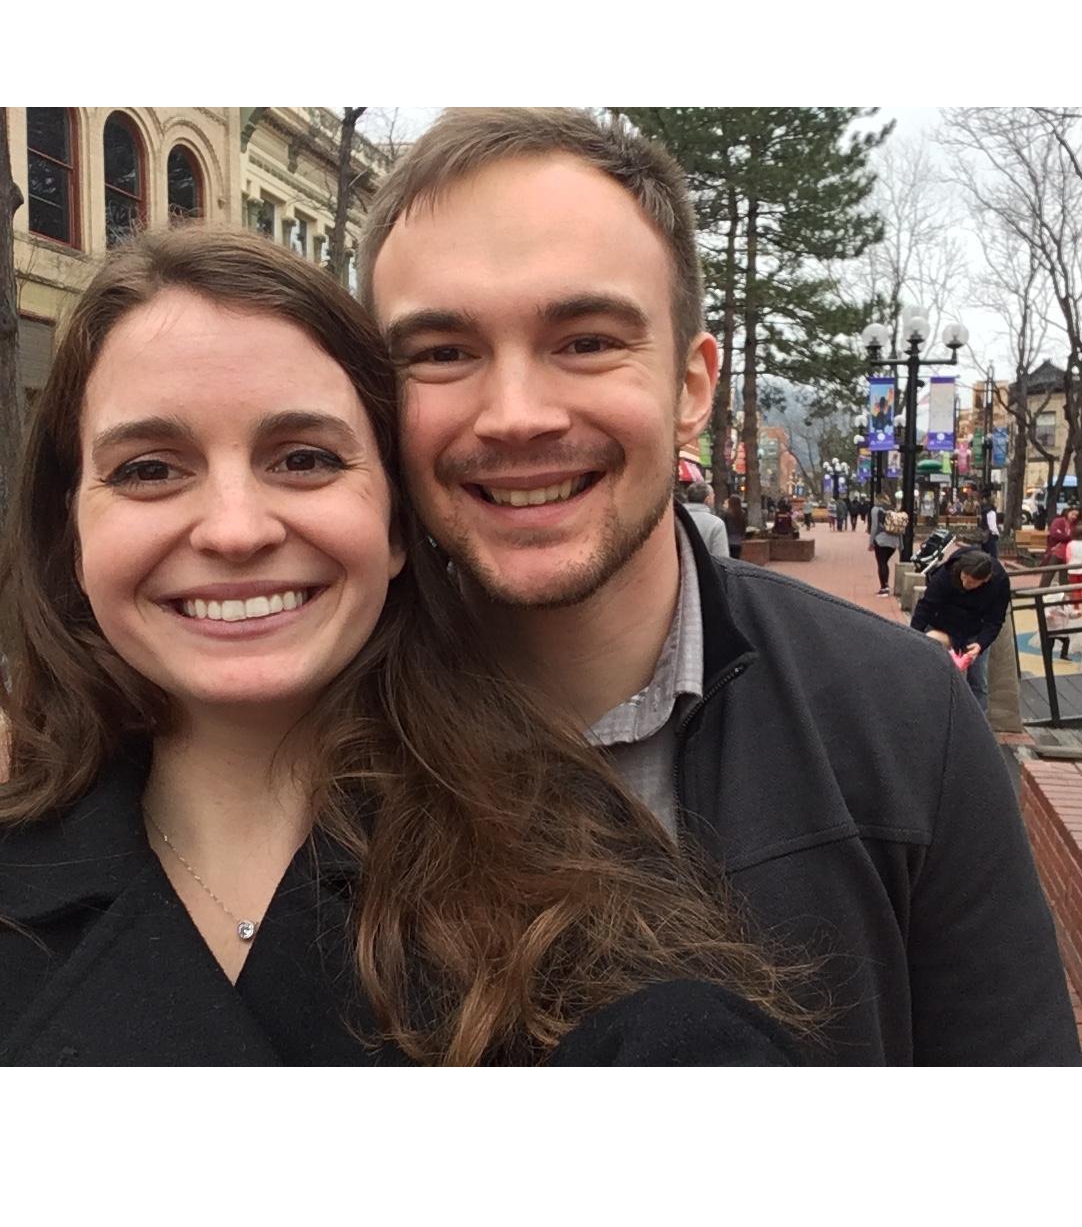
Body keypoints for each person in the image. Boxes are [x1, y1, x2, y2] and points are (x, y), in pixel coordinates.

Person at [362, 107, 1081, 1064]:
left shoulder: (906, 725)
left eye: (585, 340)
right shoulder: (308, 749)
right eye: (443, 353)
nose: (516, 416)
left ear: (693, 387)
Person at [0, 228, 814, 1068]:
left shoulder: (596, 926)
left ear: (394, 525)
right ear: (70, 533)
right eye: (149, 470)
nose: (235, 530)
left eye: (305, 459)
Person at [909, 549, 1011, 714]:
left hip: (975, 631)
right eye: (964, 578)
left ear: (985, 580)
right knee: (929, 671)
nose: (965, 584)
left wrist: (981, 644)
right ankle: (927, 713)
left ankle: (978, 725)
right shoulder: (949, 571)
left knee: (978, 681)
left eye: (971, 583)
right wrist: (913, 635)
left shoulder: (999, 582)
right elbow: (926, 606)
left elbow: (995, 620)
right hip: (942, 624)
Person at [681, 481, 729, 559]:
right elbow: (722, 559)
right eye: (713, 496)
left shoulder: (676, 519)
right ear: (707, 499)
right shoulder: (716, 524)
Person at [868, 492, 902, 597]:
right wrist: (900, 544)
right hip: (894, 541)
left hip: (881, 540)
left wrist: (871, 542)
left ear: (878, 499)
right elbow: (899, 526)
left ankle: (884, 588)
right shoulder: (893, 509)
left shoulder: (876, 509)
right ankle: (886, 585)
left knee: (881, 563)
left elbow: (874, 527)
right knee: (885, 563)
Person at [1039, 505, 1078, 589]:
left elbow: (1073, 537)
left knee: (1064, 577)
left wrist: (1065, 536)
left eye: (1076, 515)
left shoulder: (1074, 526)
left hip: (1066, 554)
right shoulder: (1059, 521)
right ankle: (1040, 594)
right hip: (1056, 551)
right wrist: (1067, 537)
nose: (1074, 517)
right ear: (1068, 512)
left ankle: (1064, 596)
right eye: (1073, 514)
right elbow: (1055, 534)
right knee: (1048, 574)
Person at [978, 485, 1000, 559]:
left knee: (985, 556)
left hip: (983, 536)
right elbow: (992, 526)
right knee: (993, 556)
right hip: (990, 536)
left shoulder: (983, 510)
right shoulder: (991, 511)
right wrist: (997, 534)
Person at [722, 494, 747, 560]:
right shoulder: (742, 513)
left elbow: (724, 526)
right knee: (736, 559)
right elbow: (744, 526)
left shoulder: (726, 513)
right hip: (738, 540)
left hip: (728, 540)